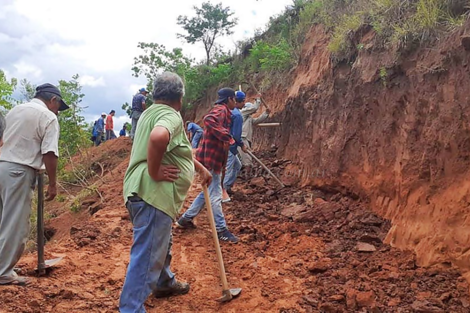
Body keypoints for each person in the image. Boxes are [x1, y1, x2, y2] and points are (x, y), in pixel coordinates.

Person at [119, 72, 211, 313]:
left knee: (161, 242)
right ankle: (131, 309)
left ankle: (163, 282)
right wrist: (155, 171)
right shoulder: (170, 115)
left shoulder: (149, 112)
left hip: (143, 193)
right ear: (180, 98)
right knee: (148, 254)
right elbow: (159, 138)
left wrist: (198, 167)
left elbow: (176, 150)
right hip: (153, 194)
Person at [0, 83, 69, 286]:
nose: (57, 111)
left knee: (3, 220)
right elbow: (49, 152)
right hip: (18, 171)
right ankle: (3, 272)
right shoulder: (48, 117)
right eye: (58, 106)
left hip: (2, 165)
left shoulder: (15, 110)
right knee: (15, 223)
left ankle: (4, 265)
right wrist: (53, 183)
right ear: (52, 100)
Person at [177, 87, 239, 243]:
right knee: (216, 194)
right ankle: (221, 230)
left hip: (212, 158)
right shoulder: (221, 110)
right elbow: (208, 119)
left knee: (207, 190)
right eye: (234, 99)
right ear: (230, 99)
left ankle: (185, 219)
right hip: (210, 159)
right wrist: (226, 135)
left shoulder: (226, 112)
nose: (235, 102)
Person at [222, 91, 247, 202]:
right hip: (230, 146)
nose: (245, 104)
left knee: (237, 165)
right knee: (228, 169)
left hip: (226, 144)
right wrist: (242, 144)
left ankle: (227, 187)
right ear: (238, 102)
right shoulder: (237, 115)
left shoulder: (230, 111)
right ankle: (221, 192)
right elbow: (236, 135)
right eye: (244, 101)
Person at [238, 95, 270, 175]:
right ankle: (247, 176)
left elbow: (257, 120)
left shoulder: (248, 118)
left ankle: (244, 173)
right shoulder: (242, 113)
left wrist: (266, 113)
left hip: (246, 139)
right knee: (247, 159)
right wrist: (258, 100)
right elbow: (254, 109)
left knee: (244, 158)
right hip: (242, 138)